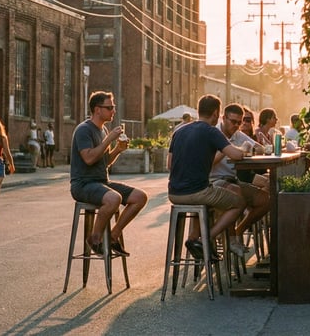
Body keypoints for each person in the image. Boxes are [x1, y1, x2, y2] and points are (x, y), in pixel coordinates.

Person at [168, 94, 252, 262]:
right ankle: (205, 239)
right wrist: (244, 147)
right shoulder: (211, 131)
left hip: (174, 193)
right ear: (216, 113)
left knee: (210, 202)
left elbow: (169, 165)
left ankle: (195, 239)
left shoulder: (179, 131)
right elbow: (235, 155)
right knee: (239, 202)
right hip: (198, 191)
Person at [70, 91, 148, 256]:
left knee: (140, 197)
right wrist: (109, 140)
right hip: (83, 184)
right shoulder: (84, 130)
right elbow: (89, 159)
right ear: (98, 109)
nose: (114, 111)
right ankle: (95, 238)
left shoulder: (103, 130)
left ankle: (113, 235)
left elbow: (104, 163)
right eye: (110, 107)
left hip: (101, 182)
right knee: (114, 198)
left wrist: (118, 150)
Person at [212, 103, 271, 258]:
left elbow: (260, 148)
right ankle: (226, 239)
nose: (237, 125)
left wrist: (250, 148)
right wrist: (230, 150)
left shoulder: (238, 135)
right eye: (234, 122)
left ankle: (239, 230)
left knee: (266, 200)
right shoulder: (214, 133)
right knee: (236, 196)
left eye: (240, 122)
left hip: (234, 179)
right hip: (214, 181)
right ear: (223, 118)